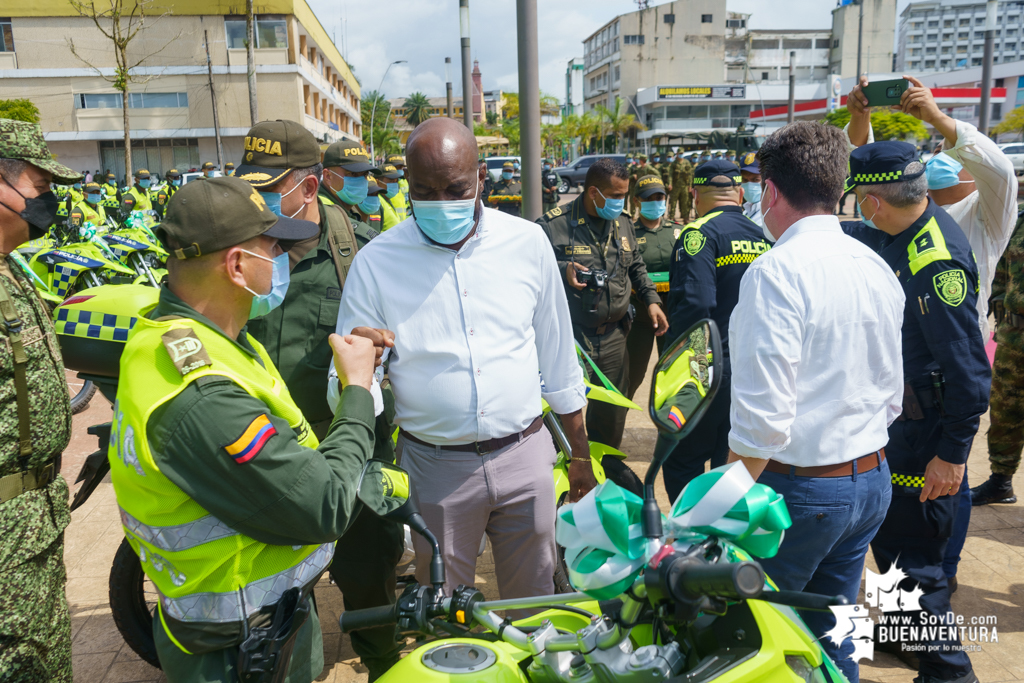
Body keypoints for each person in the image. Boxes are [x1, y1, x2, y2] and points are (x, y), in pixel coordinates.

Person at [109, 175, 379, 681]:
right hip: (239, 648)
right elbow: (325, 506)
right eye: (274, 247)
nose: (282, 258)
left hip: (258, 620)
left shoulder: (201, 337)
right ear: (236, 265)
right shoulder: (202, 394)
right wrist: (358, 390)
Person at [336, 116, 593, 610]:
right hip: (435, 468)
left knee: (534, 607)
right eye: (423, 191)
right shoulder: (377, 262)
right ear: (406, 185)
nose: (439, 203)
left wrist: (578, 455)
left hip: (525, 458)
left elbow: (559, 359)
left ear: (480, 179)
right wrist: (364, 370)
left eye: (454, 188)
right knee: (445, 614)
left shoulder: (526, 243)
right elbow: (344, 388)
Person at [726, 123, 905, 683]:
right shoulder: (874, 264)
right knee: (831, 639)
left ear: (770, 193)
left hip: (798, 493)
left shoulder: (776, 272)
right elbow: (892, 391)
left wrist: (723, 506)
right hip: (870, 480)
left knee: (756, 641)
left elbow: (763, 420)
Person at [236, 120, 402, 680]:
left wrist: (382, 343)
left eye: (271, 185)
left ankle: (380, 659)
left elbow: (399, 335)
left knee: (367, 562)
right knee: (271, 572)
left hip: (347, 438)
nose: (258, 197)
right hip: (265, 444)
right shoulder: (235, 242)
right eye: (251, 183)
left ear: (307, 187)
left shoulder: (362, 247)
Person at [848, 74, 1016, 589]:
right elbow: (876, 176)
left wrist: (938, 119)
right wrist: (861, 120)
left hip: (944, 382)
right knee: (907, 525)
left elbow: (1000, 171)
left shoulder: (977, 220)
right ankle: (917, 615)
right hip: (905, 388)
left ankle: (938, 635)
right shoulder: (901, 220)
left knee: (936, 516)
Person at [842, 141, 989, 683]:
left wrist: (951, 456)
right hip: (905, 428)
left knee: (917, 574)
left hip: (924, 442)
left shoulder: (935, 261)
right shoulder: (902, 228)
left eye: (858, 198)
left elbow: (969, 373)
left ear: (875, 201)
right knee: (907, 574)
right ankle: (925, 661)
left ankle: (950, 674)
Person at [0, 119, 81, 682]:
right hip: (8, 528)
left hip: (34, 517)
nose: (47, 200)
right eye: (37, 184)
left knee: (44, 656)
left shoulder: (12, 269)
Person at [538, 157, 667, 449]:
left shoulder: (623, 225)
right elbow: (528, 270)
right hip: (571, 338)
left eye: (624, 196)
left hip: (613, 337)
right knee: (562, 412)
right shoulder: (553, 225)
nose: (621, 203)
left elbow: (636, 266)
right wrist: (563, 269)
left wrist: (651, 300)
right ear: (593, 193)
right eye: (616, 197)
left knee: (610, 416)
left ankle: (604, 476)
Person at [663, 159, 770, 501]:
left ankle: (691, 537)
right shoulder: (763, 235)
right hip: (753, 369)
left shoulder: (698, 234)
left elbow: (695, 306)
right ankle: (722, 538)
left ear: (694, 194)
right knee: (730, 462)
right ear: (740, 193)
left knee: (683, 459)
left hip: (708, 368)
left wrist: (677, 368)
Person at [976, 214, 1024, 506]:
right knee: (1005, 411)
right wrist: (999, 304)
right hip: (1014, 338)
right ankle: (1000, 481)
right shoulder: (1020, 220)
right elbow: (1004, 267)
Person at [625, 175, 680, 400]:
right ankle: (616, 424)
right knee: (632, 374)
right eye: (649, 198)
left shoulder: (679, 231)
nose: (656, 202)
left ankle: (671, 425)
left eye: (660, 197)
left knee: (674, 373)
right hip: (639, 313)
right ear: (637, 201)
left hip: (672, 311)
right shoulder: (627, 232)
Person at [319, 139, 381, 247]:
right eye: (353, 174)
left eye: (365, 174)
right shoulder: (321, 210)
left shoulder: (347, 207)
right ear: (328, 176)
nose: (362, 181)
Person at [376, 164, 404, 230]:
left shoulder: (386, 199)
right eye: (391, 181)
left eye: (396, 181)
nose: (394, 184)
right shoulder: (377, 203)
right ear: (378, 182)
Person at [738, 152, 763, 227]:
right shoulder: (747, 210)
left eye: (755, 179)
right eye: (745, 180)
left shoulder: (772, 215)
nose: (749, 184)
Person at [668, 150, 693, 222]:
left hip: (684, 186)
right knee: (673, 202)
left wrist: (690, 185)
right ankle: (672, 217)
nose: (681, 155)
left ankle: (685, 218)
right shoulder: (674, 163)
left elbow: (690, 175)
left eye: (682, 153)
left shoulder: (686, 162)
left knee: (685, 202)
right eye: (680, 153)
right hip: (675, 186)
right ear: (677, 154)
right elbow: (670, 175)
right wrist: (670, 184)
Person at [385, 153, 409, 218]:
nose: (399, 170)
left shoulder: (406, 181)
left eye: (401, 167)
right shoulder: (384, 184)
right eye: (396, 167)